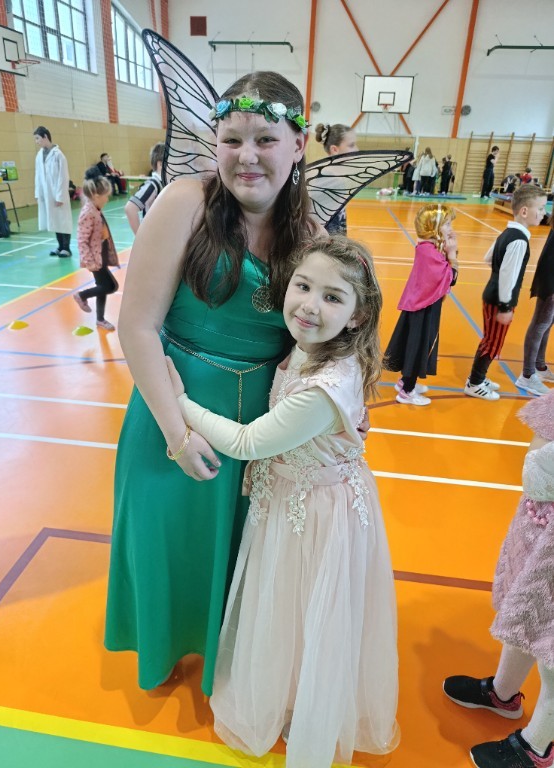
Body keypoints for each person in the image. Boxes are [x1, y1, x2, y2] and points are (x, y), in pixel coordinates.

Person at [105, 71, 317, 696]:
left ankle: (228, 666)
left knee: (243, 552)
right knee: (172, 543)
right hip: (171, 412)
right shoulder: (184, 204)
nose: (246, 156)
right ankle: (167, 652)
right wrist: (176, 433)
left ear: (298, 144)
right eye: (232, 140)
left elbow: (324, 341)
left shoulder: (311, 234)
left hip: (260, 431)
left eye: (265, 139)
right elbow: (137, 325)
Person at [165, 236, 399, 766]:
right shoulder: (307, 347)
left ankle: (308, 708)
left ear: (358, 317)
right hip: (292, 499)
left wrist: (178, 402)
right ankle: (292, 693)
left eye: (333, 297)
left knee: (310, 610)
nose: (310, 305)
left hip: (317, 514)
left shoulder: (325, 385)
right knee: (292, 608)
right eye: (303, 286)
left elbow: (248, 442)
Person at [443, 391, 554, 768]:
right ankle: (503, 694)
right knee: (528, 612)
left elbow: (538, 473)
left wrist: (540, 458)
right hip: (543, 529)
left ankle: (538, 748)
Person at [464, 185, 548, 400]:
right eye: (540, 208)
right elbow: (508, 276)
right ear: (524, 211)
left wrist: (498, 273)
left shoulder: (509, 232)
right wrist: (505, 306)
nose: (544, 213)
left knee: (491, 340)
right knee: (492, 343)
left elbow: (488, 258)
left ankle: (479, 377)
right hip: (499, 300)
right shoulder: (519, 240)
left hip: (492, 293)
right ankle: (475, 382)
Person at [383, 204, 459, 406]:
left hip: (421, 305)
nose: (451, 228)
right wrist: (452, 255)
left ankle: (405, 381)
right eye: (447, 224)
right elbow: (451, 278)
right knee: (418, 346)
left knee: (415, 344)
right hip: (423, 308)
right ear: (433, 227)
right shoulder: (428, 251)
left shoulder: (429, 248)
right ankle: (407, 391)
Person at [72, 168, 119, 331]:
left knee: (103, 287)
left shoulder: (95, 209)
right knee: (110, 286)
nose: (108, 198)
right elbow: (82, 240)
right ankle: (81, 295)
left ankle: (100, 319)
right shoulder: (88, 212)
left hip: (101, 255)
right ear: (97, 196)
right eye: (106, 195)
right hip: (95, 259)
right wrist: (90, 262)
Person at [516, 215, 554, 396]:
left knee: (547, 323)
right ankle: (527, 374)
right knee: (540, 324)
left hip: (550, 275)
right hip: (550, 278)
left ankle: (539, 366)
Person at [33, 126, 73, 257]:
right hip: (46, 194)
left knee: (63, 220)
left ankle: (66, 248)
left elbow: (63, 177)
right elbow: (38, 175)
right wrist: (38, 193)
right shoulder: (39, 155)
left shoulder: (58, 155)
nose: (36, 141)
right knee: (54, 220)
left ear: (45, 136)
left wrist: (60, 196)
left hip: (58, 194)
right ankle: (60, 246)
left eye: (38, 138)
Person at [314, 123, 357, 234]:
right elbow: (326, 228)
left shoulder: (336, 179)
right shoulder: (328, 182)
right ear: (334, 149)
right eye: (351, 145)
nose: (357, 150)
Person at [124, 142, 165, 234]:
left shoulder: (163, 184)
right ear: (160, 164)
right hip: (152, 235)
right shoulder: (153, 185)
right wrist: (140, 237)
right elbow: (130, 208)